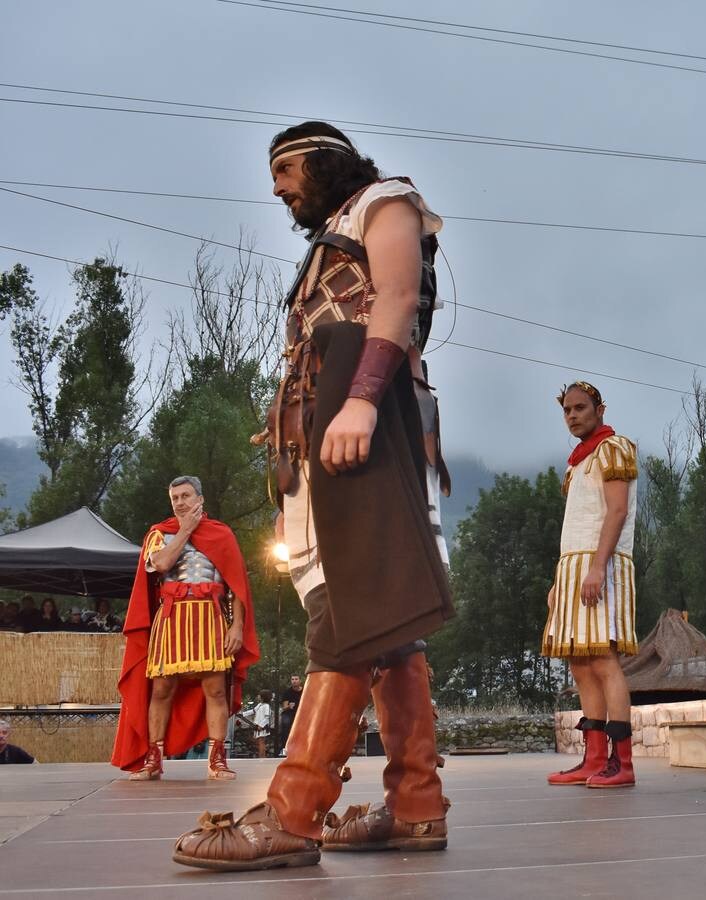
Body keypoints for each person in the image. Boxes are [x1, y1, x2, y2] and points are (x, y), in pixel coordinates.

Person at [173, 122, 454, 871]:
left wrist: (360, 401)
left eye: (287, 167)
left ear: (328, 160)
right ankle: (418, 804)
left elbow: (394, 300)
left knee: (350, 601)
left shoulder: (384, 201)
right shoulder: (333, 228)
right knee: (383, 615)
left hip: (375, 418)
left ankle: (294, 812)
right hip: (331, 427)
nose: (275, 185)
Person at [111, 476, 259, 783]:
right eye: (175, 497)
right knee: (162, 689)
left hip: (210, 616)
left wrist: (238, 626)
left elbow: (237, 586)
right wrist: (186, 530)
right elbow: (162, 564)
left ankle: (217, 760)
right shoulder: (159, 534)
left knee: (215, 690)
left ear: (199, 499)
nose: (180, 502)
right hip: (171, 617)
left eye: (185, 496)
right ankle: (153, 759)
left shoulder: (222, 534)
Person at [542, 381, 639, 789]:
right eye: (567, 409)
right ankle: (594, 757)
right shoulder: (577, 461)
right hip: (574, 565)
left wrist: (597, 568)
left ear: (599, 409)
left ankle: (622, 761)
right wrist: (559, 581)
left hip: (602, 562)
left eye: (580, 407)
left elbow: (616, 512)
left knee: (602, 658)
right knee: (580, 663)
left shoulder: (613, 448)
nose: (573, 415)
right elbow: (577, 524)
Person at [242, 690, 274, 759]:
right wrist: (243, 714)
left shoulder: (267, 706)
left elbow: (267, 717)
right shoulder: (259, 705)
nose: (258, 696)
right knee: (259, 742)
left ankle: (262, 757)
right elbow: (253, 711)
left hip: (262, 727)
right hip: (257, 726)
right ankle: (261, 756)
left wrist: (261, 725)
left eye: (259, 695)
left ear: (263, 697)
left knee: (261, 742)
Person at [278, 673, 302, 751]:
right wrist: (289, 706)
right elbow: (284, 707)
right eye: (292, 679)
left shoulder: (305, 691)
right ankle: (285, 747)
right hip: (289, 713)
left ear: (300, 681)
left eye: (296, 679)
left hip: (301, 713)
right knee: (286, 722)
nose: (294, 681)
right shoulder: (287, 692)